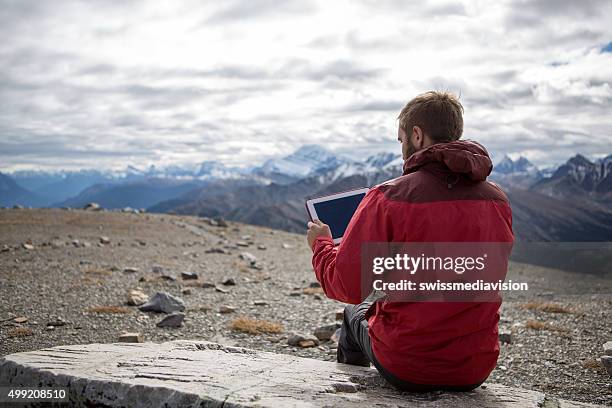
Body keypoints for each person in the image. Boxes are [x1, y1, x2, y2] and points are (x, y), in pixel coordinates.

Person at [306, 91, 514, 392]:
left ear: (417, 135)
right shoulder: (498, 199)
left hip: (406, 363)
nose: (402, 147)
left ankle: (350, 395)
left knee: (354, 314)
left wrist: (322, 245)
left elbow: (348, 287)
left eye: (401, 139)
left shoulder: (389, 196)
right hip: (475, 365)